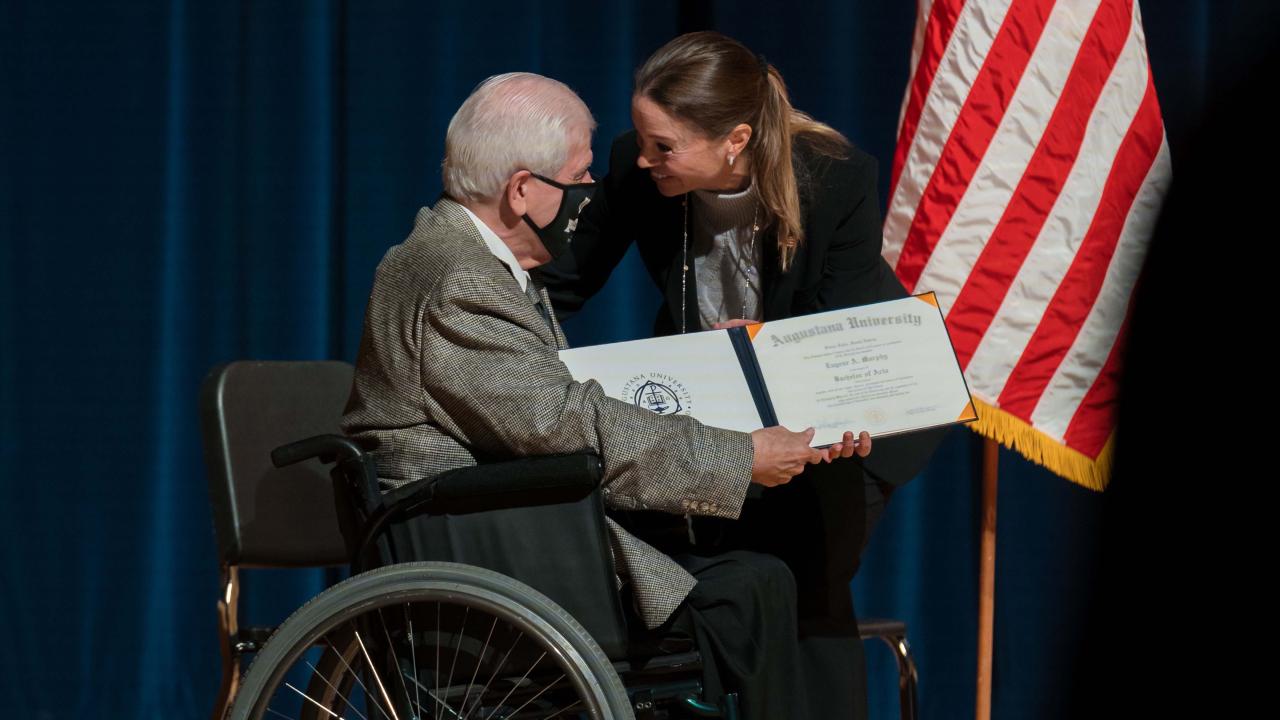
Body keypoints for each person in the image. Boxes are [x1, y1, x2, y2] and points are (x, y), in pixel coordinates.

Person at [340, 71, 871, 720]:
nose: (594, 193)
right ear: (523, 191)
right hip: (481, 545)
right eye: (581, 175)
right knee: (752, 585)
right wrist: (737, 457)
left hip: (498, 524)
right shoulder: (460, 281)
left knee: (739, 573)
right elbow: (561, 423)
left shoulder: (457, 255)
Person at [539, 31, 948, 717]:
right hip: (722, 419)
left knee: (802, 590)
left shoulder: (832, 178)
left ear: (735, 139)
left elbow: (831, 340)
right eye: (641, 137)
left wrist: (764, 350)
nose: (643, 159)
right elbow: (564, 282)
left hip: (842, 415)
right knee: (729, 590)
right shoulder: (641, 174)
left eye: (664, 146)